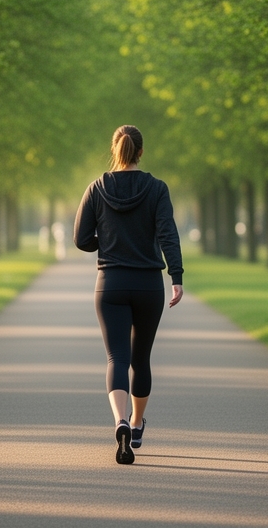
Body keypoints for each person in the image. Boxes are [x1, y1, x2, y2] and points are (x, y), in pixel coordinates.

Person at [73, 125, 184, 465]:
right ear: (141, 152)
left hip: (110, 284)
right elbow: (168, 234)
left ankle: (119, 420)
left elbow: (80, 238)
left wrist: (105, 244)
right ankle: (136, 425)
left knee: (116, 358)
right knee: (141, 359)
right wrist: (175, 276)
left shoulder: (97, 187)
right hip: (148, 284)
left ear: (116, 149)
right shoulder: (157, 189)